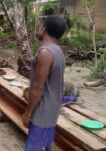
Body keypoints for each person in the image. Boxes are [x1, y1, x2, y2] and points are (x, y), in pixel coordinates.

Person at [22, 16, 66, 151]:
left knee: (33, 147)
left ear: (44, 28)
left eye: (40, 26)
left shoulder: (45, 52)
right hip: (52, 108)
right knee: (48, 142)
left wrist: (28, 113)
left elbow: (38, 87)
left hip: (42, 110)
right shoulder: (58, 50)